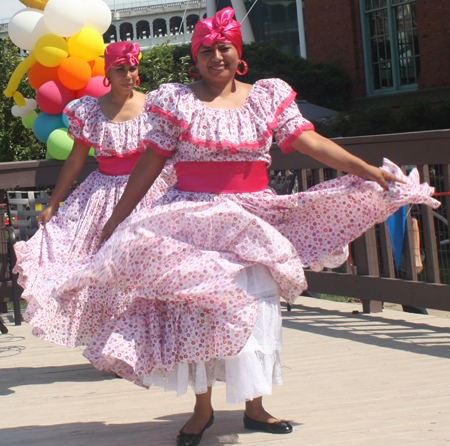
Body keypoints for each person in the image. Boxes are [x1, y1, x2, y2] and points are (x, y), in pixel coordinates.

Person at [48, 9, 440, 446]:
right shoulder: (176, 100)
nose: (216, 57)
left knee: (258, 307)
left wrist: (366, 169)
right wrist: (117, 219)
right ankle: (202, 409)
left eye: (224, 48)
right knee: (194, 307)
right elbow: (150, 163)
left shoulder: (266, 97)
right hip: (191, 218)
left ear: (239, 53)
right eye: (206, 50)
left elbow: (312, 143)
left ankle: (255, 406)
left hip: (252, 219)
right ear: (195, 58)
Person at [13, 41, 176, 348]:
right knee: (105, 273)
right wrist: (52, 203)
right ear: (107, 73)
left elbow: (168, 151)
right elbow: (75, 160)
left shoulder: (154, 105)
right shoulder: (89, 110)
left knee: (148, 267)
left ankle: (149, 343)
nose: (128, 75)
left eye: (132, 68)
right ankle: (115, 343)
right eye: (120, 70)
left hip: (147, 193)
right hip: (101, 197)